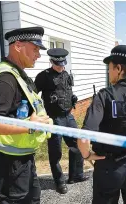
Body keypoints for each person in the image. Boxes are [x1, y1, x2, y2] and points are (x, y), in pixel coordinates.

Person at [77, 45, 126, 204]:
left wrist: (86, 155)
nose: (108, 71)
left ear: (118, 68)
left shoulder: (104, 96)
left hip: (108, 166)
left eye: (110, 68)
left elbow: (84, 137)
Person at [0, 27, 52, 204]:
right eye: (35, 49)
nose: (38, 55)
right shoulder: (5, 79)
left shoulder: (18, 75)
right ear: (18, 46)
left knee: (33, 199)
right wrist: (29, 126)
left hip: (21, 157)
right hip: (10, 161)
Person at [34, 48, 89, 194]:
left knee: (77, 145)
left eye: (63, 64)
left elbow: (66, 91)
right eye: (58, 64)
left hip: (68, 116)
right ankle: (59, 182)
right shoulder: (43, 76)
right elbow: (32, 96)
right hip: (54, 118)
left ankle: (76, 175)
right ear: (51, 61)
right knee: (55, 152)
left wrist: (73, 99)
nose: (61, 66)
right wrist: (38, 113)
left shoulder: (66, 74)